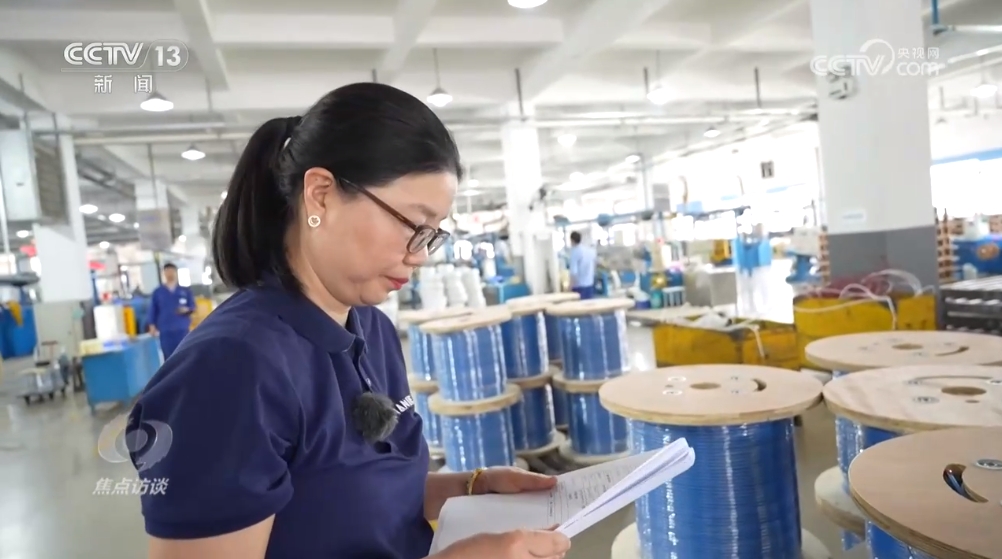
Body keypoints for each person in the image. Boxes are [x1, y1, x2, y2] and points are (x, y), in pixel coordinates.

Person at [126, 83, 571, 559]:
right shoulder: (230, 371)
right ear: (320, 195)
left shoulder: (371, 329)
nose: (420, 255)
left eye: (431, 234)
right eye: (411, 224)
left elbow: (350, 499)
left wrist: (471, 488)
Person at [145, 262, 195, 359]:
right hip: (165, 330)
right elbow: (153, 309)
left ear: (176, 272)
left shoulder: (185, 291)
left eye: (172, 271)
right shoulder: (158, 292)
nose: (170, 274)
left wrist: (187, 309)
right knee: (168, 357)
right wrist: (152, 325)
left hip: (182, 329)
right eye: (167, 271)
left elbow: (192, 306)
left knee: (184, 355)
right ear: (164, 273)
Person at [568, 231, 596, 299]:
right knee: (589, 305)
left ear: (572, 240)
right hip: (590, 285)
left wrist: (570, 287)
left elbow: (573, 272)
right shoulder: (589, 250)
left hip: (579, 287)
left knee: (578, 305)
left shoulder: (575, 251)